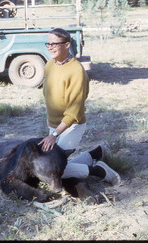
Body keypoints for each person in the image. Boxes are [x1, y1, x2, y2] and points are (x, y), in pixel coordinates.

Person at [38, 28, 121, 186]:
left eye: (54, 44)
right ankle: (92, 155)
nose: (50, 47)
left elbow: (74, 111)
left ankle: (98, 171)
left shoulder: (77, 71)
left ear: (67, 44)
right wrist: (50, 120)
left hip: (72, 125)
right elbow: (48, 94)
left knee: (53, 169)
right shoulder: (49, 65)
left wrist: (54, 134)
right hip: (55, 125)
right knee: (51, 163)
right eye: (48, 44)